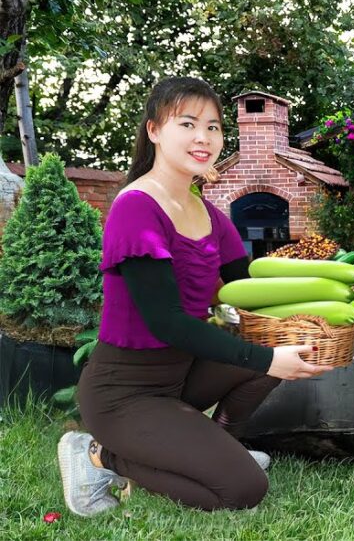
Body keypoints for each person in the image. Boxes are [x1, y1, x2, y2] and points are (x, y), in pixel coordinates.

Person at [57, 77, 331, 516]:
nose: (203, 138)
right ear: (154, 131)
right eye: (188, 124)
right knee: (243, 491)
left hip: (179, 379)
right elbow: (167, 321)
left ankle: (221, 451)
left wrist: (317, 306)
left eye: (214, 127)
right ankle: (97, 456)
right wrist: (264, 359)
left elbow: (247, 293)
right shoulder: (136, 207)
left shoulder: (208, 213)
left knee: (271, 351)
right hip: (124, 393)